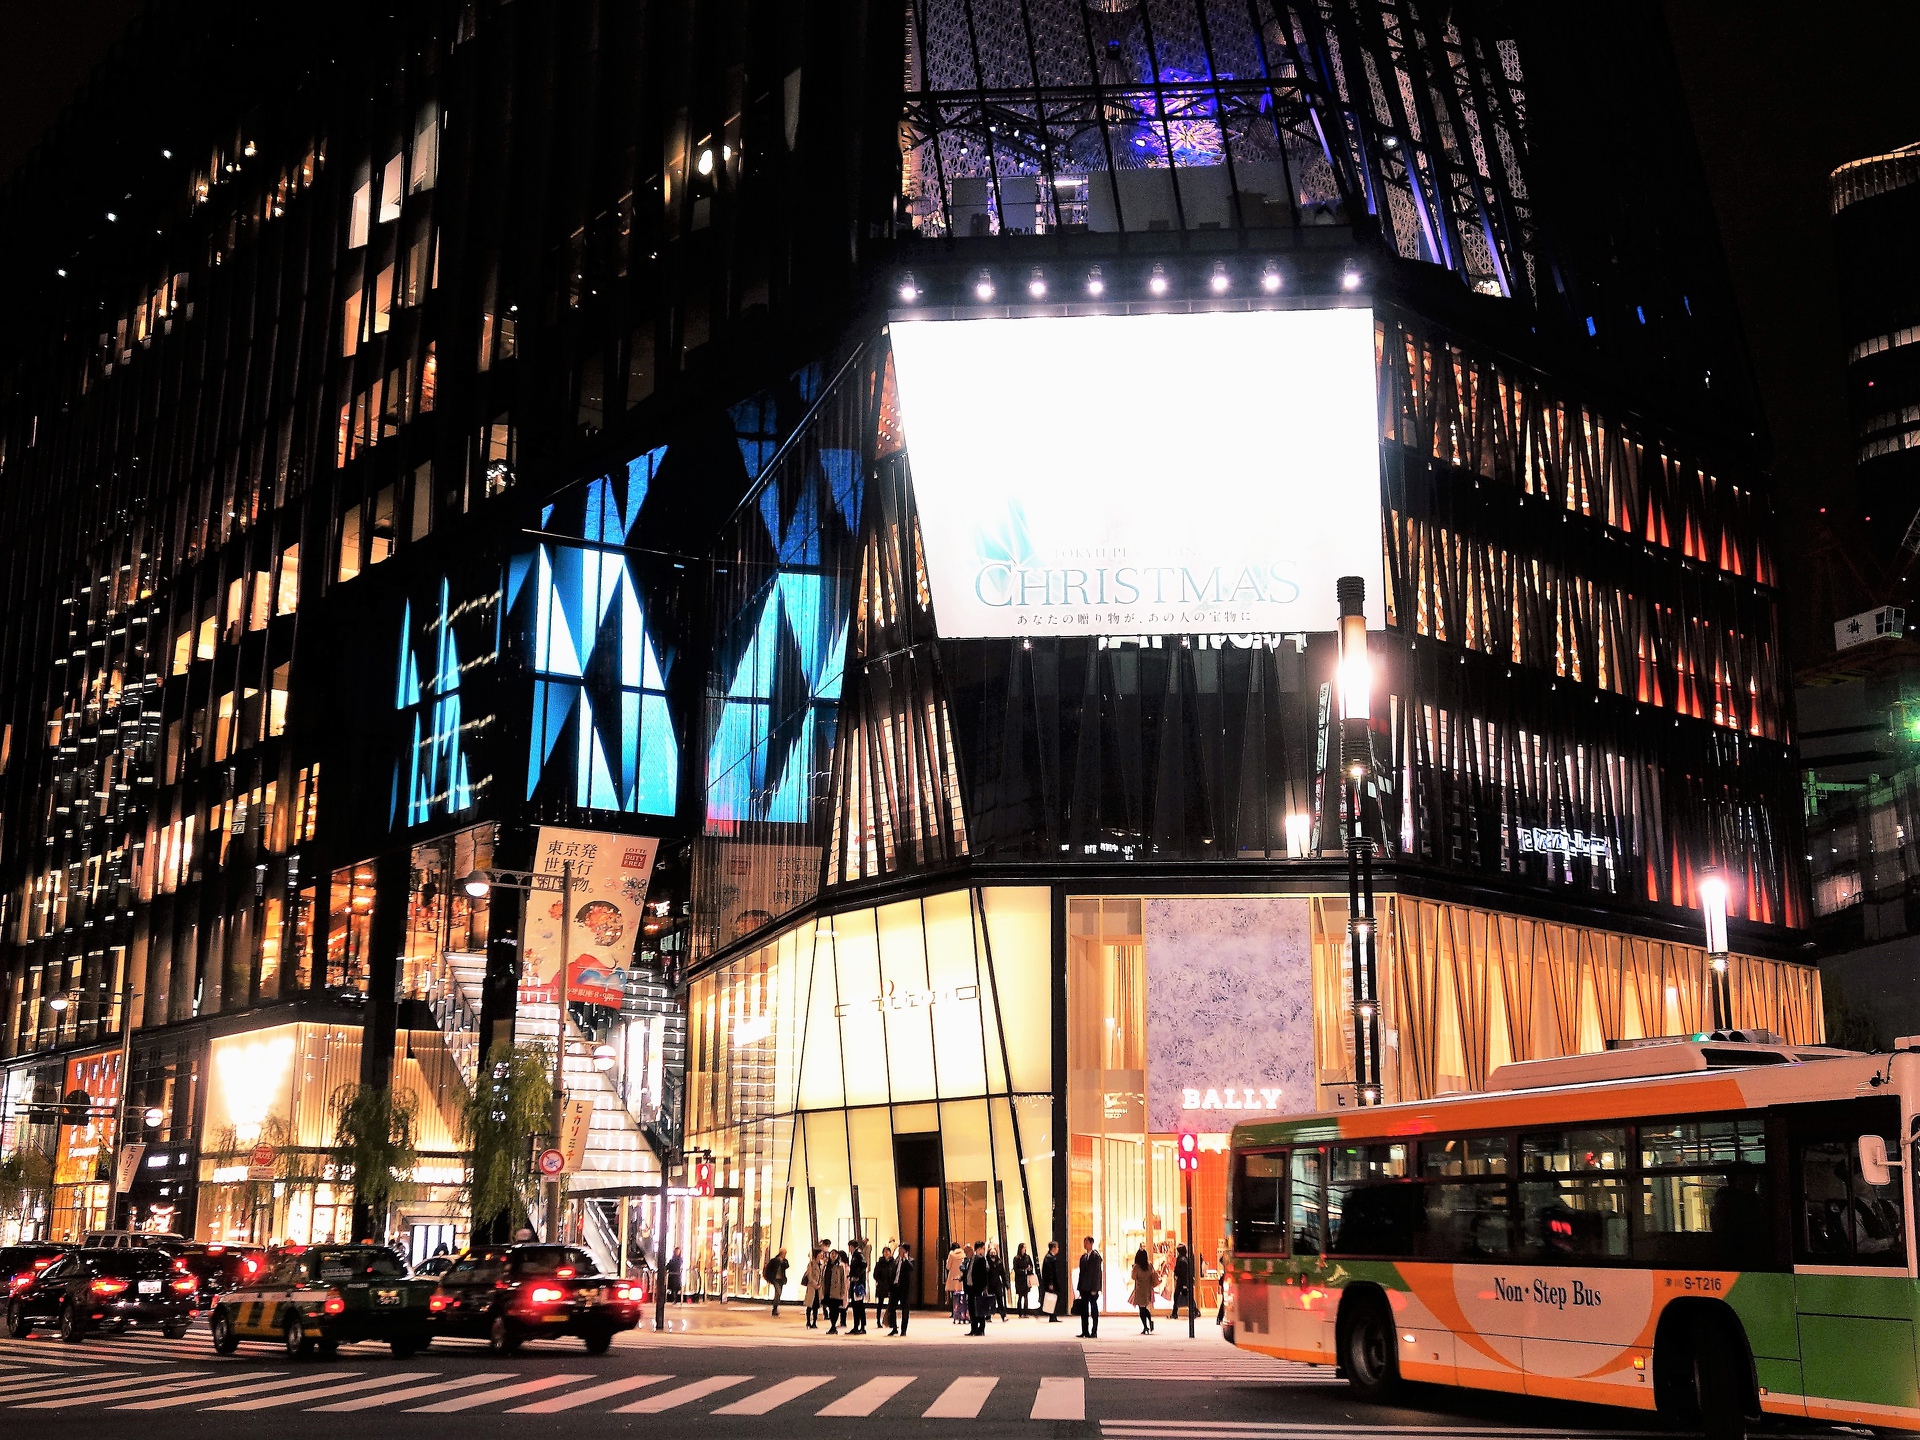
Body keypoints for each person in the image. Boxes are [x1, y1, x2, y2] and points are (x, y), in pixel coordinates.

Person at [1076, 1235, 1104, 1338]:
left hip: (1092, 1288)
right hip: (1084, 1288)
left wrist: (1095, 1288)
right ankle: (1085, 1331)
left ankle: (1094, 1331)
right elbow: (1081, 1273)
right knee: (1084, 1310)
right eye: (1084, 1242)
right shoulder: (1083, 1257)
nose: (1085, 1244)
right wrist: (1079, 1287)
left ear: (1091, 1243)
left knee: (1093, 1309)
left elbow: (1097, 1274)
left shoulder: (1095, 1256)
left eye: (1087, 1242)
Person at [1171, 1243, 1199, 1335]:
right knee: (1187, 1297)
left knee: (1180, 1296)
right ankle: (1192, 1311)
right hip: (1184, 1281)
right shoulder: (1183, 1258)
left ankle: (1192, 1311)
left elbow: (1183, 1273)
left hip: (1182, 1281)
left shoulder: (1182, 1260)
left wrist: (1184, 1285)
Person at [964, 1240, 991, 1336]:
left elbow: (984, 1275)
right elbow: (968, 1272)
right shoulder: (970, 1260)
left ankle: (981, 1328)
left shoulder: (980, 1259)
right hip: (970, 1287)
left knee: (979, 1308)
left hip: (978, 1287)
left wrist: (984, 1287)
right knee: (971, 1308)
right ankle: (973, 1328)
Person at [1129, 1246, 1157, 1334]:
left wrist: (1133, 1268)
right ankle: (1149, 1320)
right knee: (1145, 1307)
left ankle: (1145, 1327)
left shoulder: (1137, 1267)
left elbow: (1133, 1277)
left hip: (1140, 1289)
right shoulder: (1149, 1266)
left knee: (1141, 1309)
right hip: (1148, 1289)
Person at [823, 1246, 849, 1334]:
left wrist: (843, 1291)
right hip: (828, 1291)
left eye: (835, 1254)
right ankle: (832, 1326)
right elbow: (824, 1279)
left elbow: (843, 1280)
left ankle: (833, 1326)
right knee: (831, 1309)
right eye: (832, 1254)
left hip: (837, 1292)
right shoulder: (827, 1265)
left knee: (835, 1309)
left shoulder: (841, 1266)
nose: (833, 1255)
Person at [1038, 1239, 1065, 1322]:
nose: (1058, 1249)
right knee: (1052, 1298)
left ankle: (1053, 1315)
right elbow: (1049, 1272)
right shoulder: (1050, 1258)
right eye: (1057, 1247)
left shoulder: (1050, 1257)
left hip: (1052, 1282)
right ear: (1053, 1248)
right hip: (1051, 1282)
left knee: (1054, 1298)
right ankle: (1052, 1315)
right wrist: (1050, 1283)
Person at [873, 1245, 897, 1334]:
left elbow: (895, 1274)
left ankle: (890, 1321)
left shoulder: (893, 1263)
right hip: (882, 1286)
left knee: (891, 1304)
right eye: (885, 1252)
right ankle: (878, 1321)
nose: (886, 1253)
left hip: (891, 1286)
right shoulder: (879, 1263)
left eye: (888, 1252)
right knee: (880, 1303)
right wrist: (880, 1281)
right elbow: (875, 1274)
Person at [891, 1242, 914, 1335]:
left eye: (901, 1249)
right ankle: (894, 1328)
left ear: (906, 1251)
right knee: (892, 1308)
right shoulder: (896, 1260)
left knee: (905, 1309)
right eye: (899, 1249)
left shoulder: (910, 1260)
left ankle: (903, 1330)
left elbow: (911, 1268)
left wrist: (905, 1259)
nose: (899, 1251)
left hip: (904, 1288)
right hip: (895, 1287)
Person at [848, 1239, 870, 1334]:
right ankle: (856, 1326)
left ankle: (862, 1326)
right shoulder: (855, 1255)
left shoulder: (858, 1254)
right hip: (855, 1282)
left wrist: (857, 1276)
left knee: (859, 1305)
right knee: (855, 1305)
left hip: (858, 1284)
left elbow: (864, 1264)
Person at [804, 1243, 826, 1329]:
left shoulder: (821, 1264)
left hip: (818, 1288)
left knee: (816, 1306)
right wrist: (814, 1284)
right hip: (812, 1287)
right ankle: (808, 1322)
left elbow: (822, 1276)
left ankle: (814, 1322)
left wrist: (820, 1285)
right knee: (810, 1305)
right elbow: (809, 1275)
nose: (822, 1255)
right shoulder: (811, 1264)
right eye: (821, 1253)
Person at [764, 1247, 790, 1318]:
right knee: (778, 1292)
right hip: (775, 1279)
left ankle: (775, 1307)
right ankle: (774, 1308)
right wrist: (768, 1278)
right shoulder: (774, 1260)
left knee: (778, 1294)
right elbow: (768, 1269)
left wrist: (783, 1262)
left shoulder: (784, 1261)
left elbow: (787, 1266)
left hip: (781, 1279)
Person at [987, 1243, 1009, 1321]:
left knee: (1000, 1300)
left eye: (994, 1253)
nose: (993, 1255)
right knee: (989, 1300)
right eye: (991, 1253)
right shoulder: (987, 1262)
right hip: (989, 1284)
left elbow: (1003, 1274)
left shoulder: (999, 1262)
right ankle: (988, 1316)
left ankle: (1003, 1315)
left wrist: (1006, 1284)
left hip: (997, 1284)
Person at [946, 1243, 966, 1324]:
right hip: (960, 1276)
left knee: (953, 1296)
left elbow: (948, 1266)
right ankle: (961, 1312)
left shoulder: (951, 1254)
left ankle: (953, 1312)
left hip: (952, 1276)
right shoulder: (963, 1254)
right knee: (961, 1297)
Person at [1012, 1242, 1034, 1316]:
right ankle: (1019, 1312)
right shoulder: (1016, 1258)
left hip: (1026, 1279)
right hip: (1019, 1279)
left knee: (1026, 1296)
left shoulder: (1027, 1257)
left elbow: (1031, 1265)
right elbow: (1016, 1269)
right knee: (1020, 1296)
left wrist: (1029, 1269)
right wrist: (1024, 1270)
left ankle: (1026, 1312)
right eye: (1023, 1247)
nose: (1025, 1249)